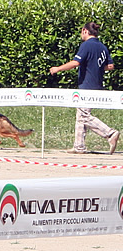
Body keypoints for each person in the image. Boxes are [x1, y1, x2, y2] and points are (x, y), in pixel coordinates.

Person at [50, 22, 119, 154]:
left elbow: (76, 62)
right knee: (81, 114)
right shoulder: (102, 47)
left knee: (84, 116)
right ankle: (79, 146)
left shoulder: (86, 45)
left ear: (85, 31)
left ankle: (110, 133)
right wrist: (96, 68)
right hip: (97, 84)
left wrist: (58, 68)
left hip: (87, 85)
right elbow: (110, 66)